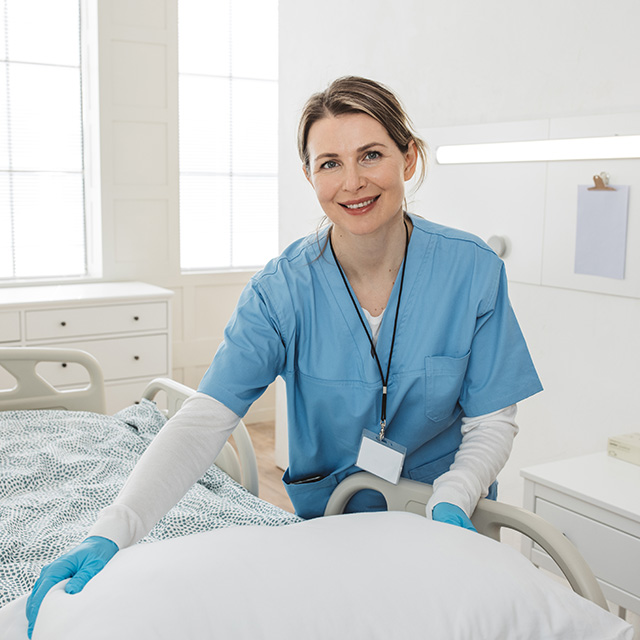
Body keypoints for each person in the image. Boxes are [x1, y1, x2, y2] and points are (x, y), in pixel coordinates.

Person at [25, 76, 542, 637]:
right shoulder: (283, 289)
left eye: (371, 155)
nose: (353, 182)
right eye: (329, 163)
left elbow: (493, 422)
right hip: (332, 527)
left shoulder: (471, 270)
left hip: (449, 516)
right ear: (309, 174)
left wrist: (452, 499)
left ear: (408, 158)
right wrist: (114, 527)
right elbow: (206, 420)